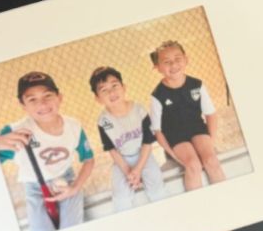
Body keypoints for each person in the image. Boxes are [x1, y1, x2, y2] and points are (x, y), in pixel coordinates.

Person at [0, 71, 95, 231]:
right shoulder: (14, 132)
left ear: (59, 97)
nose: (42, 104)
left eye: (47, 96)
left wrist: (75, 188)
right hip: (35, 187)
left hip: (65, 180)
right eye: (32, 99)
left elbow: (89, 159)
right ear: (22, 105)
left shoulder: (73, 126)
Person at [149, 40, 226, 191]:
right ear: (157, 67)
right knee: (193, 165)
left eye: (178, 59)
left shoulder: (197, 85)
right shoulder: (157, 96)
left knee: (211, 160)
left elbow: (210, 114)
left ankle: (225, 196)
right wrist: (173, 154)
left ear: (186, 59)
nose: (174, 64)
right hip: (175, 135)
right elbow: (157, 131)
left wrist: (211, 141)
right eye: (167, 62)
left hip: (197, 129)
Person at [90, 66, 167, 212]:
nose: (111, 92)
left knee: (157, 189)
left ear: (124, 87)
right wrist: (128, 173)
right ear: (97, 98)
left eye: (114, 85)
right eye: (104, 90)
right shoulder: (103, 121)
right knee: (121, 198)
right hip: (121, 160)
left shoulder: (139, 110)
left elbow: (147, 143)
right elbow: (112, 150)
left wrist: (137, 170)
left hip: (144, 156)